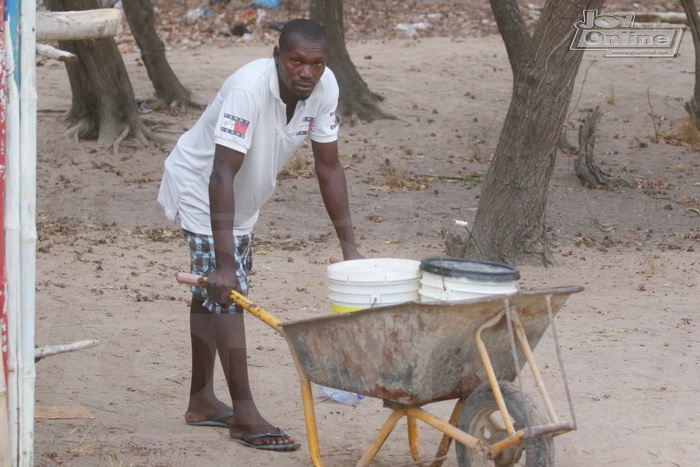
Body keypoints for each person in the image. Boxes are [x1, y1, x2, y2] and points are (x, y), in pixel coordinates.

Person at [157, 19, 363, 451]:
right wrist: (226, 263)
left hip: (243, 199)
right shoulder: (246, 89)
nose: (306, 72)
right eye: (296, 61)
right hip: (204, 190)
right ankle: (245, 415)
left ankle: (201, 402)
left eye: (316, 63)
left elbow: (328, 168)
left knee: (212, 292)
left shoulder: (325, 89)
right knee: (228, 291)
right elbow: (220, 174)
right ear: (277, 56)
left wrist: (351, 249)